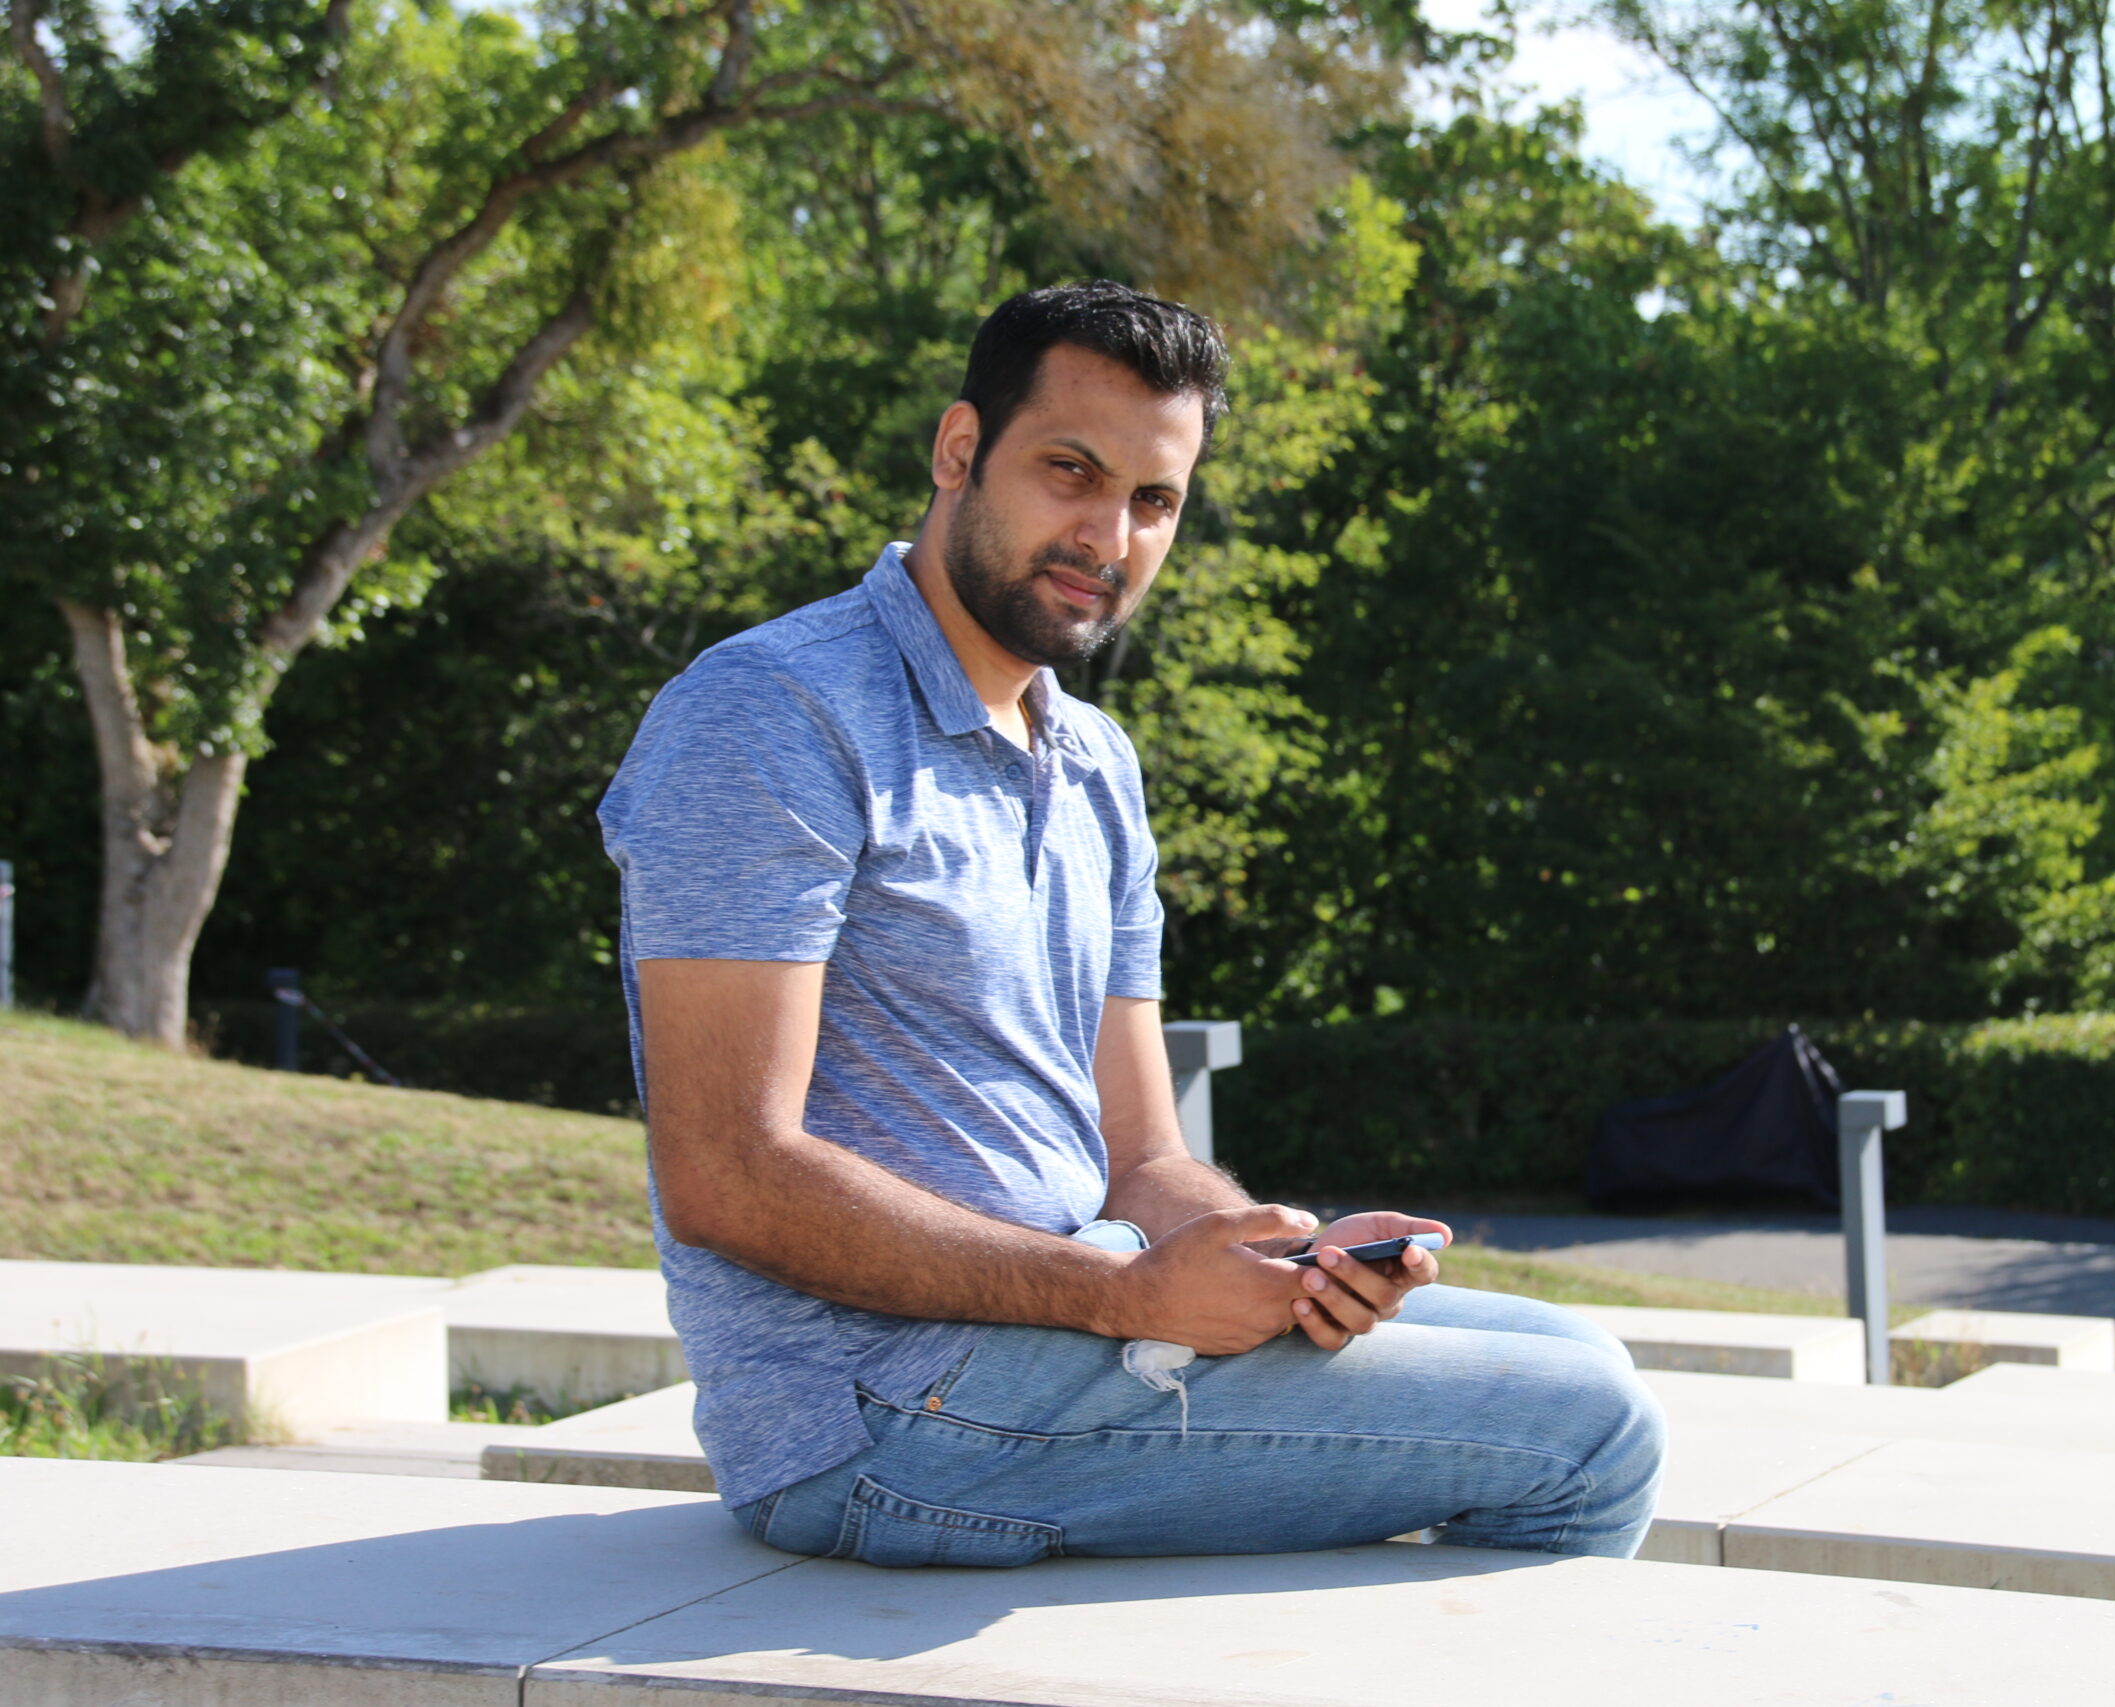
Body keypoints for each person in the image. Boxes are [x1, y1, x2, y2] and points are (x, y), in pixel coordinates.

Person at [599, 280, 1664, 1567]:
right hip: (877, 1411)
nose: (1108, 534)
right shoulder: (770, 715)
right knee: (1592, 1430)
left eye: (1153, 501)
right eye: (1069, 470)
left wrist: (1277, 1253)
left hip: (1068, 1322)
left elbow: (1143, 1158)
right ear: (957, 451)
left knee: (1581, 1349)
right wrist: (1120, 1292)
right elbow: (725, 1176)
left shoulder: (1092, 761)